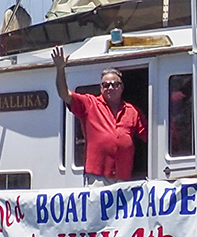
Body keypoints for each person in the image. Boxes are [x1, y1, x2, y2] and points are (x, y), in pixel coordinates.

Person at [52, 49, 147, 185]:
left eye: (115, 84)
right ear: (101, 88)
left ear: (121, 88)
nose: (110, 87)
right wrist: (60, 69)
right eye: (106, 85)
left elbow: (150, 136)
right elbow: (64, 94)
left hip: (123, 178)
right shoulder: (89, 104)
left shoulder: (132, 111)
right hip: (97, 178)